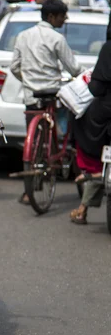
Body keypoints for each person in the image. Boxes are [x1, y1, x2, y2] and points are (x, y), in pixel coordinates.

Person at [10, 0, 84, 204]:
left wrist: (27, 81)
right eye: (62, 16)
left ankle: (30, 190)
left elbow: (15, 67)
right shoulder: (56, 38)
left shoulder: (23, 36)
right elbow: (74, 69)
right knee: (67, 132)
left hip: (32, 95)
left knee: (33, 141)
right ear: (51, 17)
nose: (65, 19)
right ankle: (65, 153)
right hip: (53, 93)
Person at [70, 41, 111, 224]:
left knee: (80, 121)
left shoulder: (108, 48)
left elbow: (96, 88)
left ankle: (83, 206)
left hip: (104, 113)